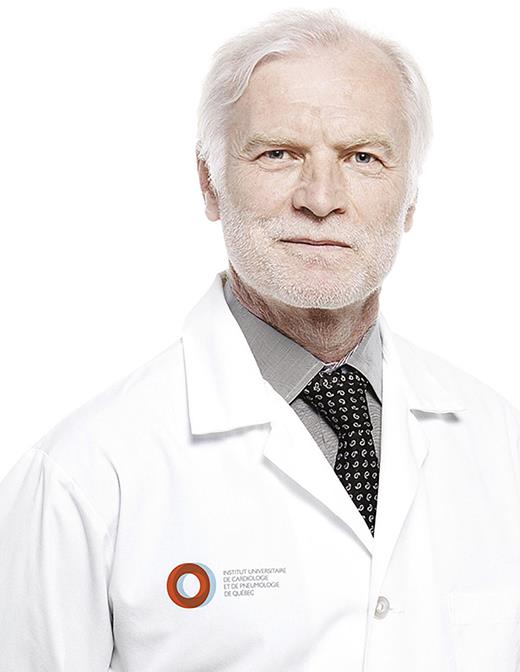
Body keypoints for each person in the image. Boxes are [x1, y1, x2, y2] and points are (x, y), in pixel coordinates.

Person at [1, 7, 520, 671]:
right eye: (279, 153)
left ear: (410, 196)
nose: (321, 197)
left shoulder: (499, 442)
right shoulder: (83, 477)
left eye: (364, 157)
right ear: (210, 182)